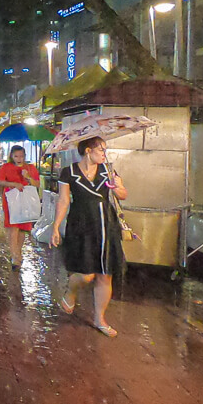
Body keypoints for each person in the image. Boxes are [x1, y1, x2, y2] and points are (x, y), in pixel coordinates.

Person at [51, 136, 128, 338]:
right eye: (101, 149)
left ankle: (99, 319)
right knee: (86, 274)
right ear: (87, 150)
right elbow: (64, 200)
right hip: (81, 224)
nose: (104, 153)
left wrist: (117, 186)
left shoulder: (108, 170)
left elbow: (123, 195)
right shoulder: (69, 172)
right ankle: (71, 291)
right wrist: (56, 226)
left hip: (105, 224)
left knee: (105, 273)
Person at [0, 145, 41, 268]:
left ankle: (18, 252)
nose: (19, 158)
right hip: (11, 199)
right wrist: (14, 184)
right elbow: (0, 181)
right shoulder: (6, 167)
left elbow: (37, 184)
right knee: (13, 227)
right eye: (16, 156)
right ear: (11, 156)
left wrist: (28, 177)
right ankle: (15, 255)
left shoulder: (30, 168)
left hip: (26, 200)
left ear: (25, 156)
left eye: (21, 156)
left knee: (23, 228)